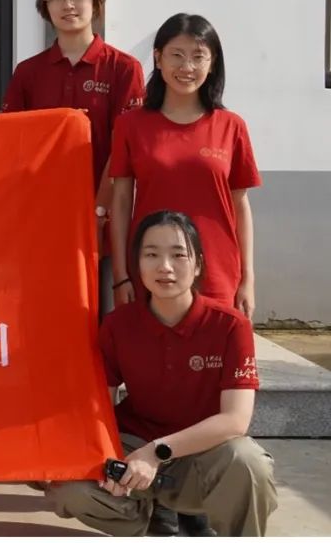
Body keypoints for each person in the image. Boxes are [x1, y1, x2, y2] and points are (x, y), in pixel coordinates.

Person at [46, 210, 277, 536]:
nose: (164, 267)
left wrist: (156, 452)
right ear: (137, 265)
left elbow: (235, 420)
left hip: (202, 453)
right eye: (151, 255)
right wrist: (105, 460)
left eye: (178, 255)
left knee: (249, 464)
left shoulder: (230, 326)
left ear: (198, 264)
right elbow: (100, 405)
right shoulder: (118, 325)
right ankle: (141, 520)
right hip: (132, 446)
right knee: (69, 487)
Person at [2, 0, 144, 317]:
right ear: (45, 7)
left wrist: (99, 211)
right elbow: (12, 144)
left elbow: (123, 147)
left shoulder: (123, 68)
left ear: (95, 2)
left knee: (102, 315)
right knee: (48, 315)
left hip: (105, 221)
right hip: (44, 220)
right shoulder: (28, 73)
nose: (68, 5)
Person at [110, 14, 260, 317]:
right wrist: (121, 274)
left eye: (198, 56)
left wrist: (248, 278)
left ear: (212, 63)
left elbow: (240, 207)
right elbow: (122, 201)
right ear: (158, 58)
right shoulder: (130, 125)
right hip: (153, 269)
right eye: (176, 55)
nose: (187, 67)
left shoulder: (231, 126)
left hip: (216, 271)